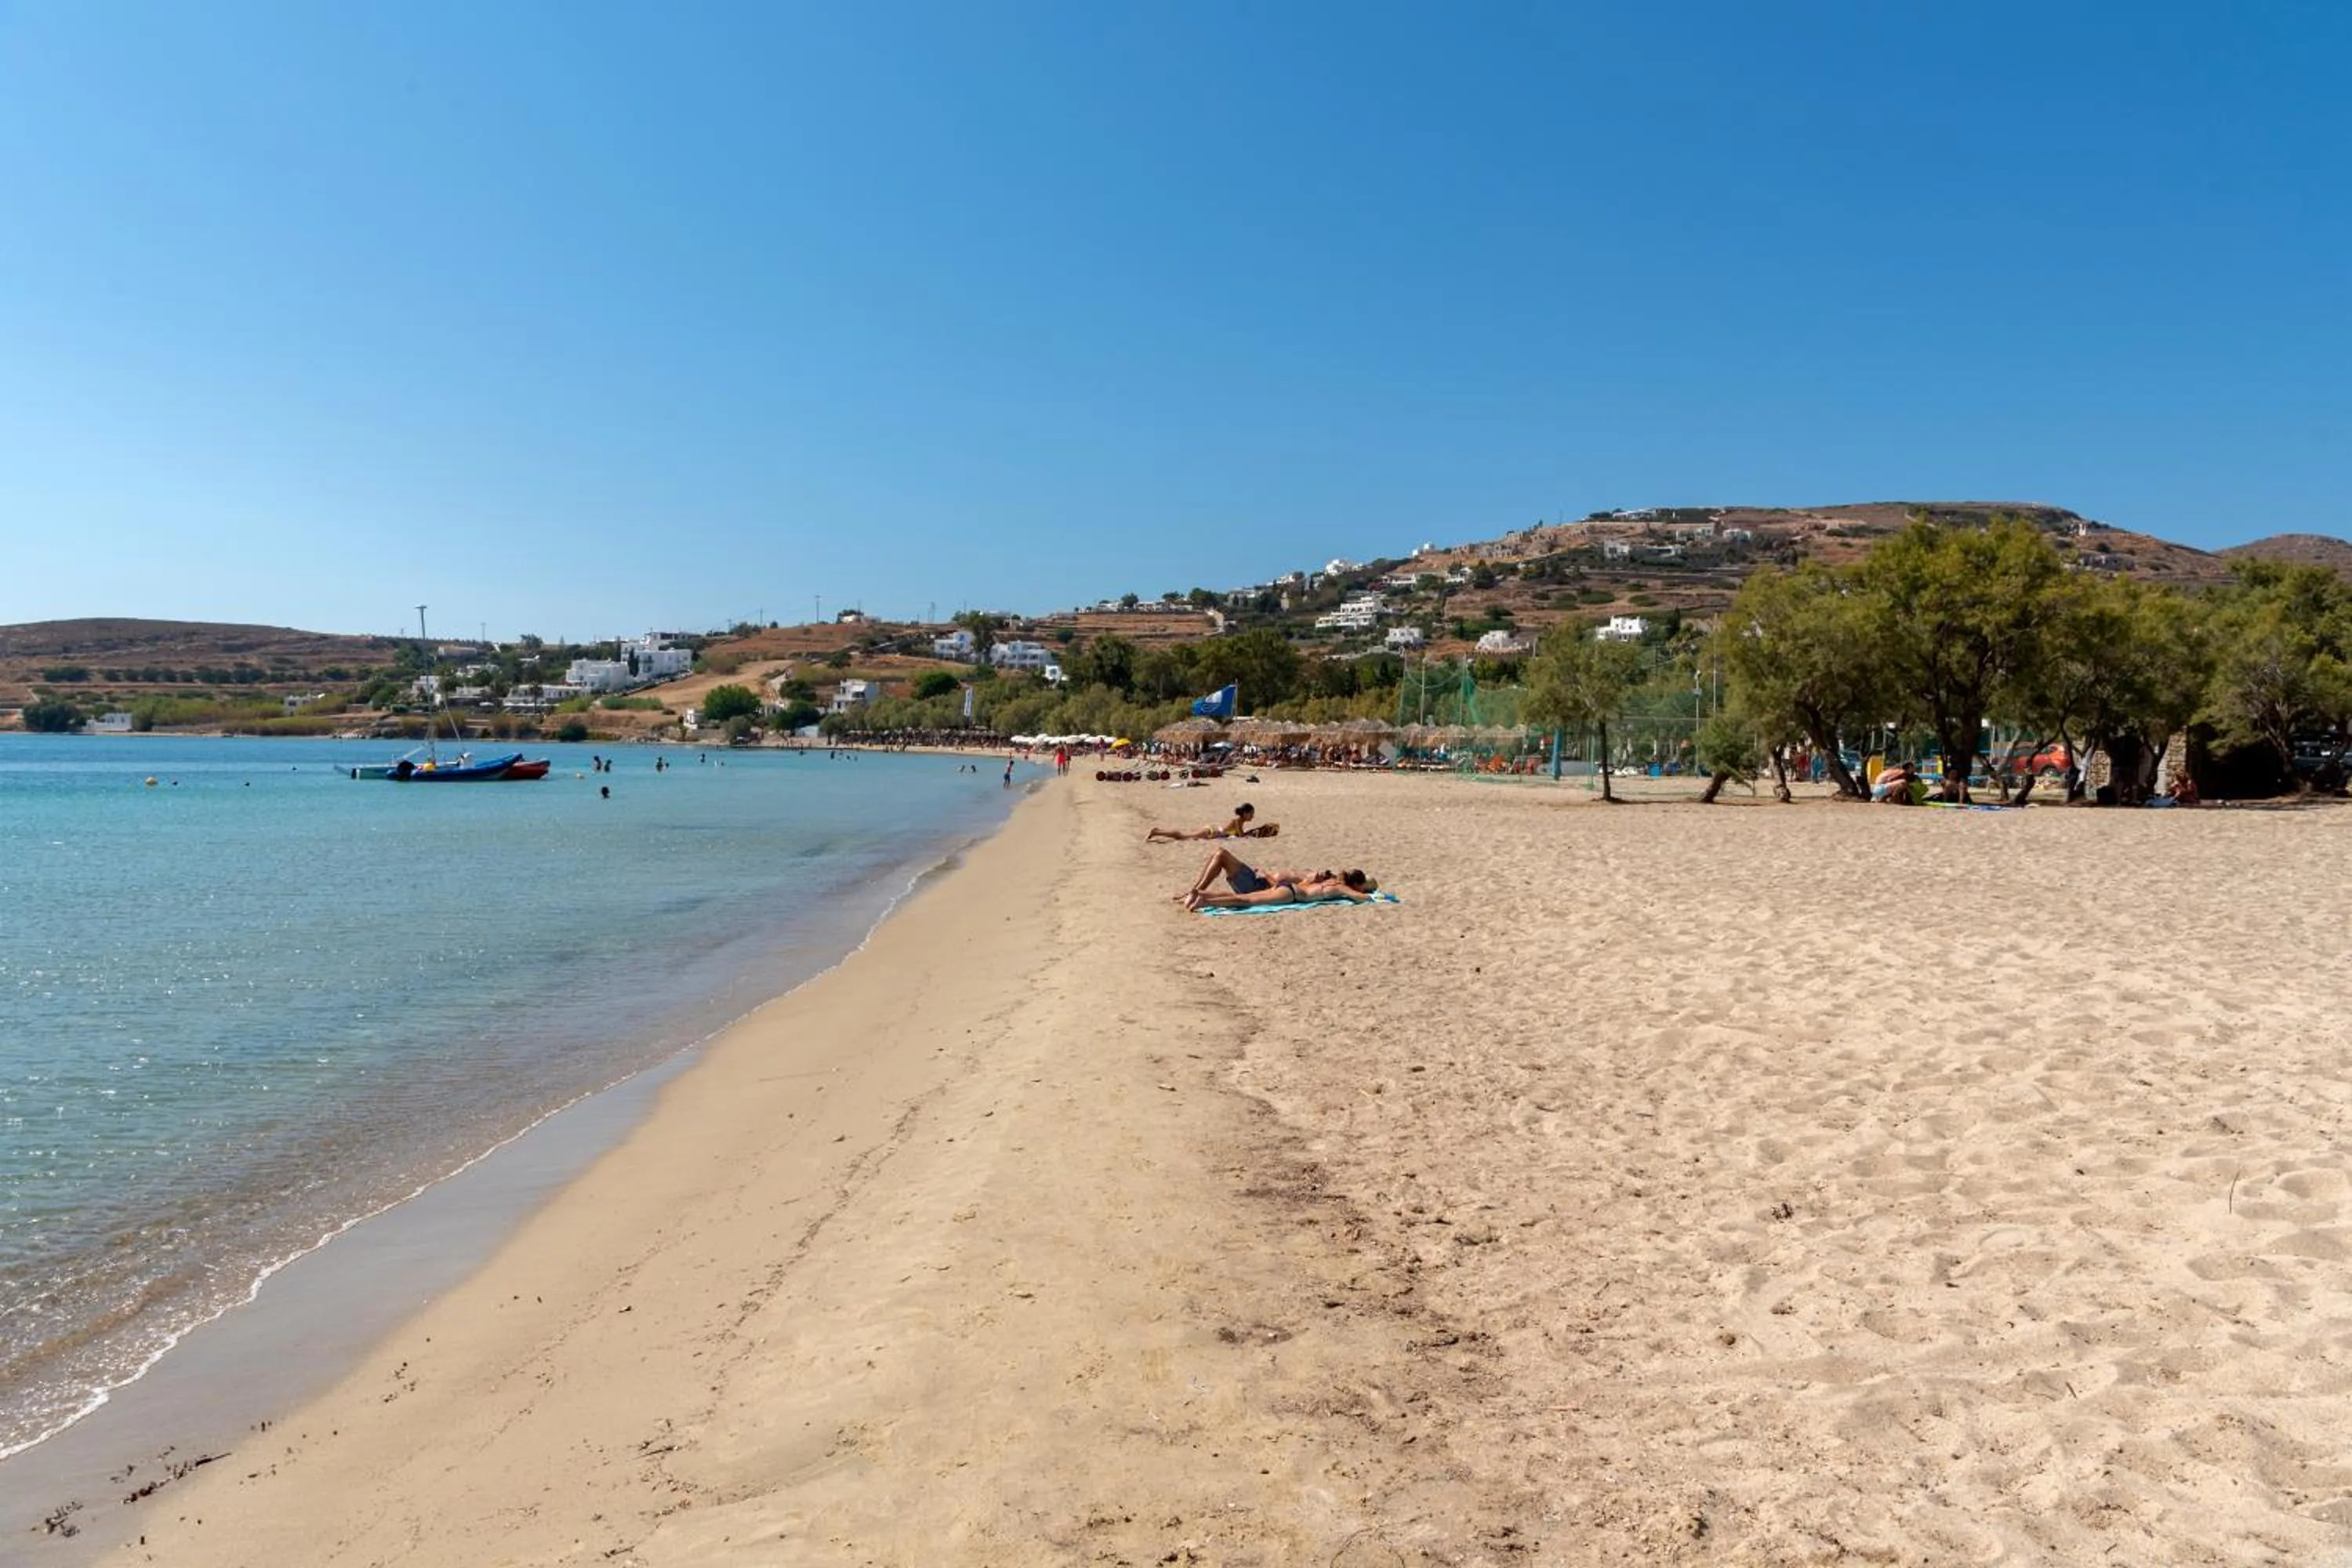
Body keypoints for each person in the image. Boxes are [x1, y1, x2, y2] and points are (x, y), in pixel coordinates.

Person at [1180, 851, 1377, 911]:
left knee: (1246, 897)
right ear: (1356, 884)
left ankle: (1201, 894)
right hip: (1291, 894)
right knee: (1246, 901)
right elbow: (1361, 898)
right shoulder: (1340, 887)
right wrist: (1368, 895)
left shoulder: (1332, 879)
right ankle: (1206, 901)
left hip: (1288, 889)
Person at [1145, 803, 1270, 842]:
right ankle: (1157, 831)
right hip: (1211, 832)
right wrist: (1253, 834)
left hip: (1212, 831)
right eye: (1251, 814)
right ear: (1245, 814)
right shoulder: (1237, 821)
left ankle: (1158, 832)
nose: (1253, 816)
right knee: (1182, 836)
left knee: (1183, 837)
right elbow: (1241, 836)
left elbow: (1238, 835)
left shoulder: (1240, 822)